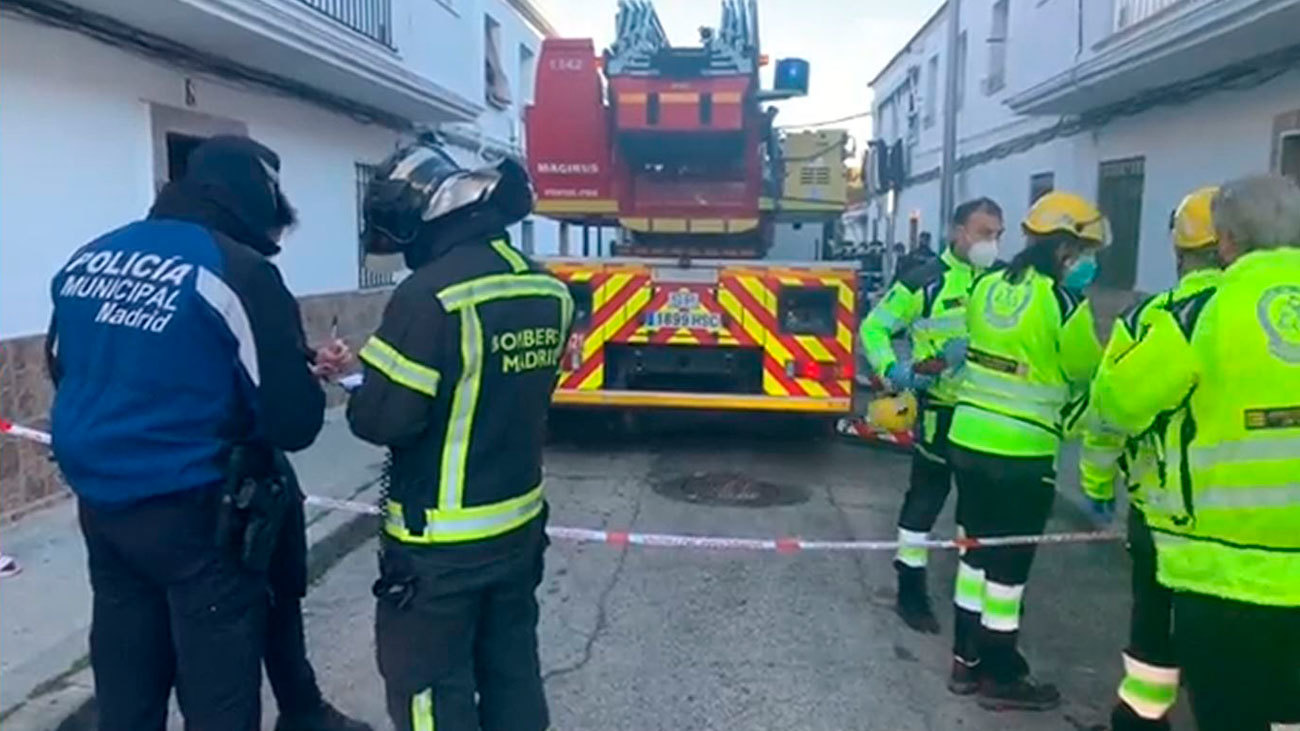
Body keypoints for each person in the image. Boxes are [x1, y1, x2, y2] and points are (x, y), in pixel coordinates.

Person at [45, 136, 361, 730]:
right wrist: (301, 376)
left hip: (105, 510)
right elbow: (293, 422)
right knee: (218, 692)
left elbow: (70, 367)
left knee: (126, 680)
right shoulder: (239, 270)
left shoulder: (88, 259)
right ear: (255, 200)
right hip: (200, 515)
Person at [348, 136, 572, 731]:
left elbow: (383, 420)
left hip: (440, 547)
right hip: (518, 527)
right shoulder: (547, 289)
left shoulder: (428, 296)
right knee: (511, 673)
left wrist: (363, 385)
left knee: (428, 689)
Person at [1090, 174, 1300, 731]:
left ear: (1227, 241)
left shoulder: (1199, 314)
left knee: (1232, 713)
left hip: (1224, 575)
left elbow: (1114, 405)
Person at [945, 191, 1109, 711]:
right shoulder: (1064, 303)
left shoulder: (986, 284)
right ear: (1064, 250)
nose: (1088, 263)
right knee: (1008, 572)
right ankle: (1000, 674)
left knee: (973, 554)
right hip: (1023, 453)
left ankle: (963, 661)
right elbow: (1086, 372)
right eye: (1085, 252)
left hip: (968, 441)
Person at [1078, 187, 1224, 731]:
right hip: (1278, 530)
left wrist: (1096, 482)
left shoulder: (1157, 318)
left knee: (1155, 630)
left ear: (1181, 252)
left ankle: (1142, 720)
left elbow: (1109, 412)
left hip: (1166, 517)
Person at [859, 197, 1005, 633]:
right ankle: (911, 590)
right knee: (925, 501)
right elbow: (874, 327)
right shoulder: (924, 281)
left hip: (989, 412)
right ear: (958, 232)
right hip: (941, 409)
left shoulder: (1005, 281)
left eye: (998, 235)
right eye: (983, 233)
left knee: (979, 511)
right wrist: (894, 370)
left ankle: (972, 603)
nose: (992, 243)